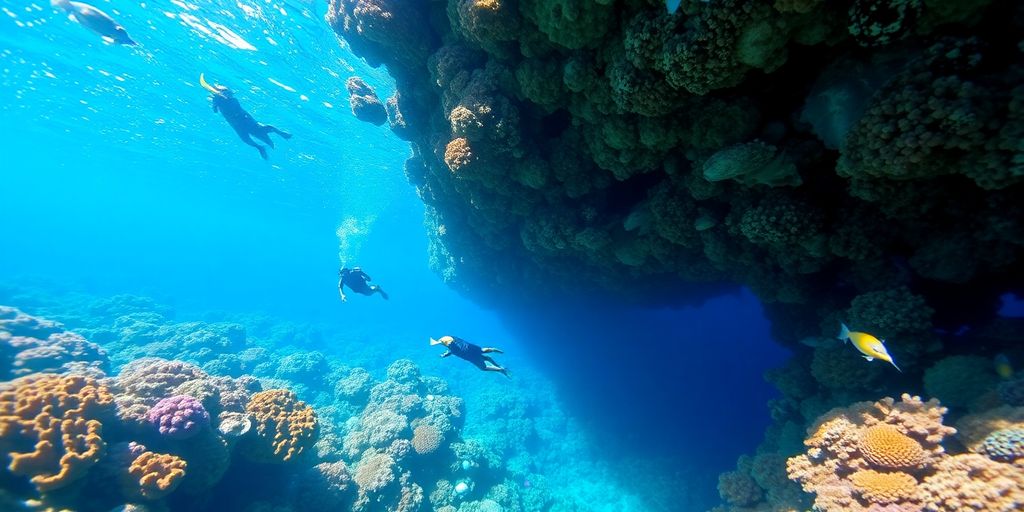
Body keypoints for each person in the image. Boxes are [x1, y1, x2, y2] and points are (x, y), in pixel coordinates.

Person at [199, 74, 291, 160]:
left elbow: (232, 106)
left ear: (230, 93)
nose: (224, 94)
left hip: (246, 121)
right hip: (236, 125)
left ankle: (281, 133)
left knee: (265, 129)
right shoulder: (217, 101)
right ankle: (260, 148)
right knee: (245, 139)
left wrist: (218, 100)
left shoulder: (233, 100)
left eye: (226, 92)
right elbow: (215, 111)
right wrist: (215, 103)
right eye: (222, 92)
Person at [51, 0, 136, 45]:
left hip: (105, 27)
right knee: (114, 32)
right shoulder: (77, 9)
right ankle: (121, 39)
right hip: (106, 28)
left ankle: (120, 39)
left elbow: (87, 24)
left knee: (114, 32)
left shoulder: (75, 10)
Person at [430, 335, 509, 377]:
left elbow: (452, 350)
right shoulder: (454, 338)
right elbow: (452, 347)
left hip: (469, 355)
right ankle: (493, 350)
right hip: (472, 348)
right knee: (482, 351)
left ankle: (500, 370)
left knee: (483, 368)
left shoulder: (452, 347)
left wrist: (445, 355)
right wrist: (447, 353)